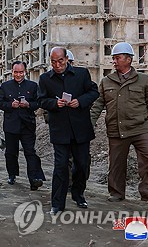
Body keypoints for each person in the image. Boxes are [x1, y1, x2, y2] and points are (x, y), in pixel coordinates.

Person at [90, 42, 148, 203]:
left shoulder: (144, 79)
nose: (114, 61)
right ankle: (116, 193)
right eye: (113, 58)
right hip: (117, 129)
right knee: (116, 163)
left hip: (140, 128)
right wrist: (90, 124)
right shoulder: (106, 81)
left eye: (117, 58)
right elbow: (97, 105)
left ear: (128, 59)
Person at [38, 47, 98, 214]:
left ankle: (79, 195)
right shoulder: (45, 79)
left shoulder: (81, 74)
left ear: (67, 60)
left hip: (81, 128)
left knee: (82, 164)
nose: (57, 65)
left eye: (60, 61)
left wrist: (80, 101)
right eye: (53, 62)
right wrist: (53, 104)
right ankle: (57, 203)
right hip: (60, 130)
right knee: (60, 166)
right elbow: (41, 100)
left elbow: (94, 92)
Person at [0, 61, 45, 189]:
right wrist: (10, 105)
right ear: (12, 72)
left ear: (25, 72)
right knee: (11, 152)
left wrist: (28, 105)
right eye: (16, 72)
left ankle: (34, 178)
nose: (18, 75)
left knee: (30, 152)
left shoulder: (33, 86)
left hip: (27, 124)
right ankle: (12, 174)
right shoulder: (5, 86)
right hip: (11, 125)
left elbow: (39, 102)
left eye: (21, 72)